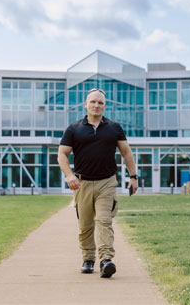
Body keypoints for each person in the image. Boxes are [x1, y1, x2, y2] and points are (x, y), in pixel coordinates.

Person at [57, 88, 138, 278]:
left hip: (107, 182)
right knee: (85, 225)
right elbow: (62, 154)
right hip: (82, 183)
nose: (96, 105)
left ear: (105, 105)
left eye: (100, 103)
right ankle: (88, 258)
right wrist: (69, 175)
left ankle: (106, 260)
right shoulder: (74, 128)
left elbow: (126, 152)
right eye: (93, 102)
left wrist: (133, 177)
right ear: (86, 104)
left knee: (104, 220)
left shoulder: (114, 127)